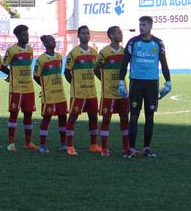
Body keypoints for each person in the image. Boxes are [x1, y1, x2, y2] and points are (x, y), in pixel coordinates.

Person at [119, 16, 171, 158]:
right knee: (134, 115)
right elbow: (124, 64)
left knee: (150, 116)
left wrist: (168, 82)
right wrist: (121, 82)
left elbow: (164, 63)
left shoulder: (158, 43)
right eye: (140, 24)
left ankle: (147, 148)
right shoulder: (133, 42)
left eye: (144, 24)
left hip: (152, 84)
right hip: (136, 83)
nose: (141, 27)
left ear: (150, 26)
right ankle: (131, 148)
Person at [64, 25, 101, 156]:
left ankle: (93, 145)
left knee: (93, 117)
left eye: (87, 33)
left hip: (91, 92)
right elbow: (67, 72)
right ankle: (69, 146)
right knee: (73, 117)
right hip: (78, 92)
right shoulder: (73, 53)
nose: (86, 35)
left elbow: (96, 70)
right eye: (83, 33)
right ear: (78, 36)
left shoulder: (94, 52)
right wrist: (74, 84)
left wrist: (102, 80)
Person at [94, 26, 130, 157]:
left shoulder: (124, 51)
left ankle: (126, 147)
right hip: (108, 93)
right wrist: (104, 81)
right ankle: (104, 148)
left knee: (125, 118)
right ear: (110, 35)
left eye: (121, 32)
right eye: (118, 32)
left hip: (122, 92)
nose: (120, 34)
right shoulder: (104, 52)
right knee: (106, 119)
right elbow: (96, 69)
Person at [3, 25, 38, 152]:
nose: (26, 37)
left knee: (28, 115)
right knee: (14, 114)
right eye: (24, 35)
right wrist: (10, 74)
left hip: (29, 88)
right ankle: (11, 143)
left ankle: (28, 142)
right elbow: (2, 66)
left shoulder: (29, 49)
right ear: (17, 36)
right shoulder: (12, 50)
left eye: (27, 34)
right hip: (16, 89)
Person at [33, 35, 68, 154]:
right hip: (49, 95)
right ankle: (42, 145)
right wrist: (44, 87)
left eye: (53, 40)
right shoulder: (41, 60)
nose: (53, 41)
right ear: (45, 44)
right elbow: (36, 76)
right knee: (46, 119)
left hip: (60, 94)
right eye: (50, 40)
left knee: (63, 118)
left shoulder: (59, 57)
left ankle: (63, 144)